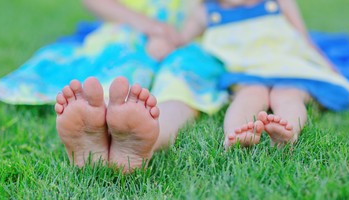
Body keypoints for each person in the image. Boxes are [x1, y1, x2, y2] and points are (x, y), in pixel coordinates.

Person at [54, 0, 229, 172]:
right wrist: (152, 27)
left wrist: (177, 38)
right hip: (129, 29)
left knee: (182, 82)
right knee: (166, 80)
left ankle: (134, 139)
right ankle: (99, 127)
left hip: (189, 37)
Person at [177, 0, 349, 147]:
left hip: (288, 65)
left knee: (288, 94)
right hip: (246, 71)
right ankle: (237, 133)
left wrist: (324, 63)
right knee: (250, 95)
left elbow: (303, 37)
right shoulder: (206, 12)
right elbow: (181, 41)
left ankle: (287, 131)